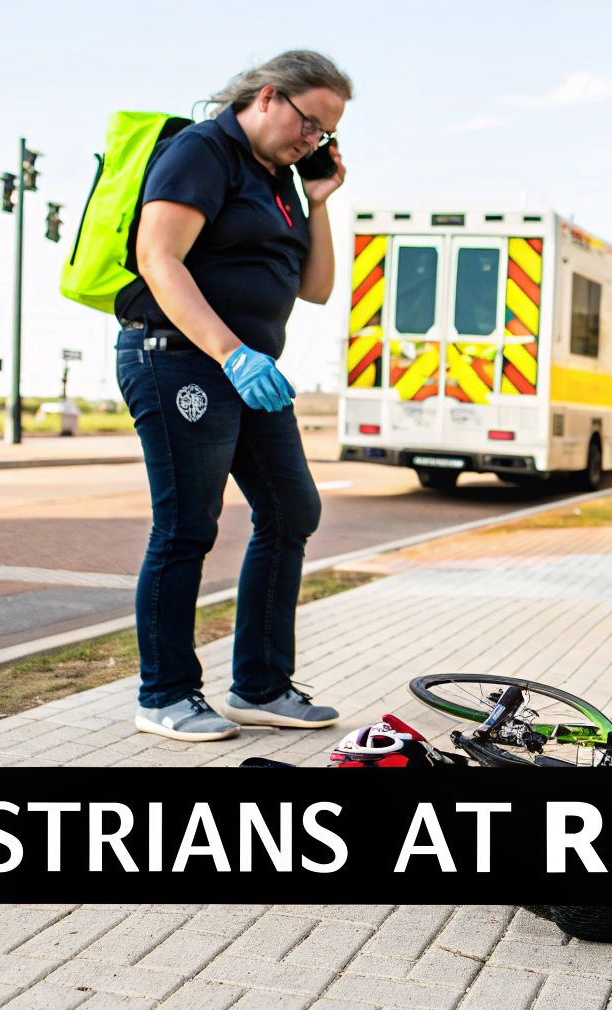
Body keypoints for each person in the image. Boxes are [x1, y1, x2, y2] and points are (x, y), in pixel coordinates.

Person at [116, 51, 352, 741]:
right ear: (270, 96)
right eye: (310, 125)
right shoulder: (203, 151)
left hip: (250, 372)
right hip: (181, 360)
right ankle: (164, 694)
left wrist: (318, 200)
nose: (313, 143)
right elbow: (157, 257)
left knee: (291, 509)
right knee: (188, 524)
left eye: (324, 136)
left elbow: (316, 287)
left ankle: (260, 686)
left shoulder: (279, 180)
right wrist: (231, 352)